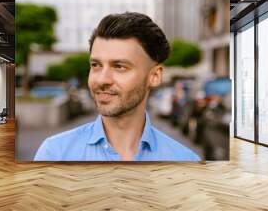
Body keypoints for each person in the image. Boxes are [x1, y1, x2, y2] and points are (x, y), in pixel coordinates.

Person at [34, 12, 200, 161]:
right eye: (96, 65)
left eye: (119, 66)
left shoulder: (186, 161)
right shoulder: (55, 153)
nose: (102, 80)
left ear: (154, 76)